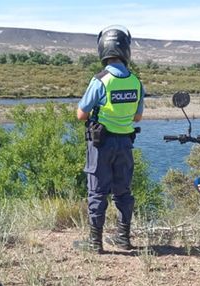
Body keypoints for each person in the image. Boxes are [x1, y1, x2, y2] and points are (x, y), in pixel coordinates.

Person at [74, 25, 144, 254]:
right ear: (125, 50)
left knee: (97, 191)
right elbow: (138, 116)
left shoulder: (101, 80)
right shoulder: (135, 81)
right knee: (123, 192)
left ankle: (95, 242)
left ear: (103, 50)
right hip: (125, 144)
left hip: (101, 144)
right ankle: (123, 238)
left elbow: (81, 114)